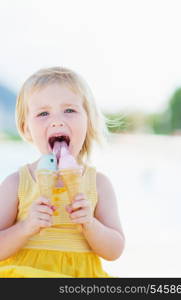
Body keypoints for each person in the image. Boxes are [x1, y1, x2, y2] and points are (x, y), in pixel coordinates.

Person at [0, 67, 125, 277]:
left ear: (88, 120)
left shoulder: (98, 185)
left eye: (69, 110)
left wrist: (90, 224)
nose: (57, 120)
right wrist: (26, 227)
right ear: (26, 128)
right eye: (43, 113)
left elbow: (114, 250)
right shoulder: (16, 184)